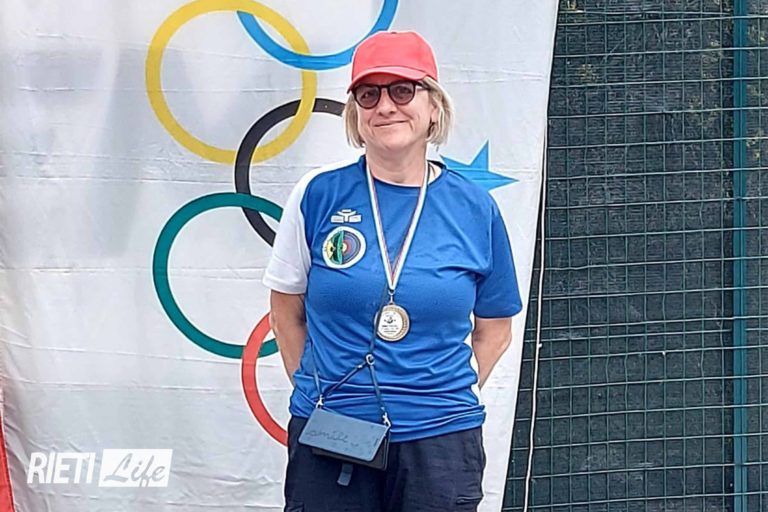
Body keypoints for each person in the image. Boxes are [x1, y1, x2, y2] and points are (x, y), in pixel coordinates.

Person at [263, 30, 522, 512]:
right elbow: (285, 313)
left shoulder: (474, 208)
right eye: (369, 94)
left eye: (402, 90)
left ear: (433, 107)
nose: (385, 106)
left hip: (441, 441)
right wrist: (322, 393)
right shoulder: (317, 195)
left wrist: (437, 397)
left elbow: (495, 329)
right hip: (333, 434)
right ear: (356, 113)